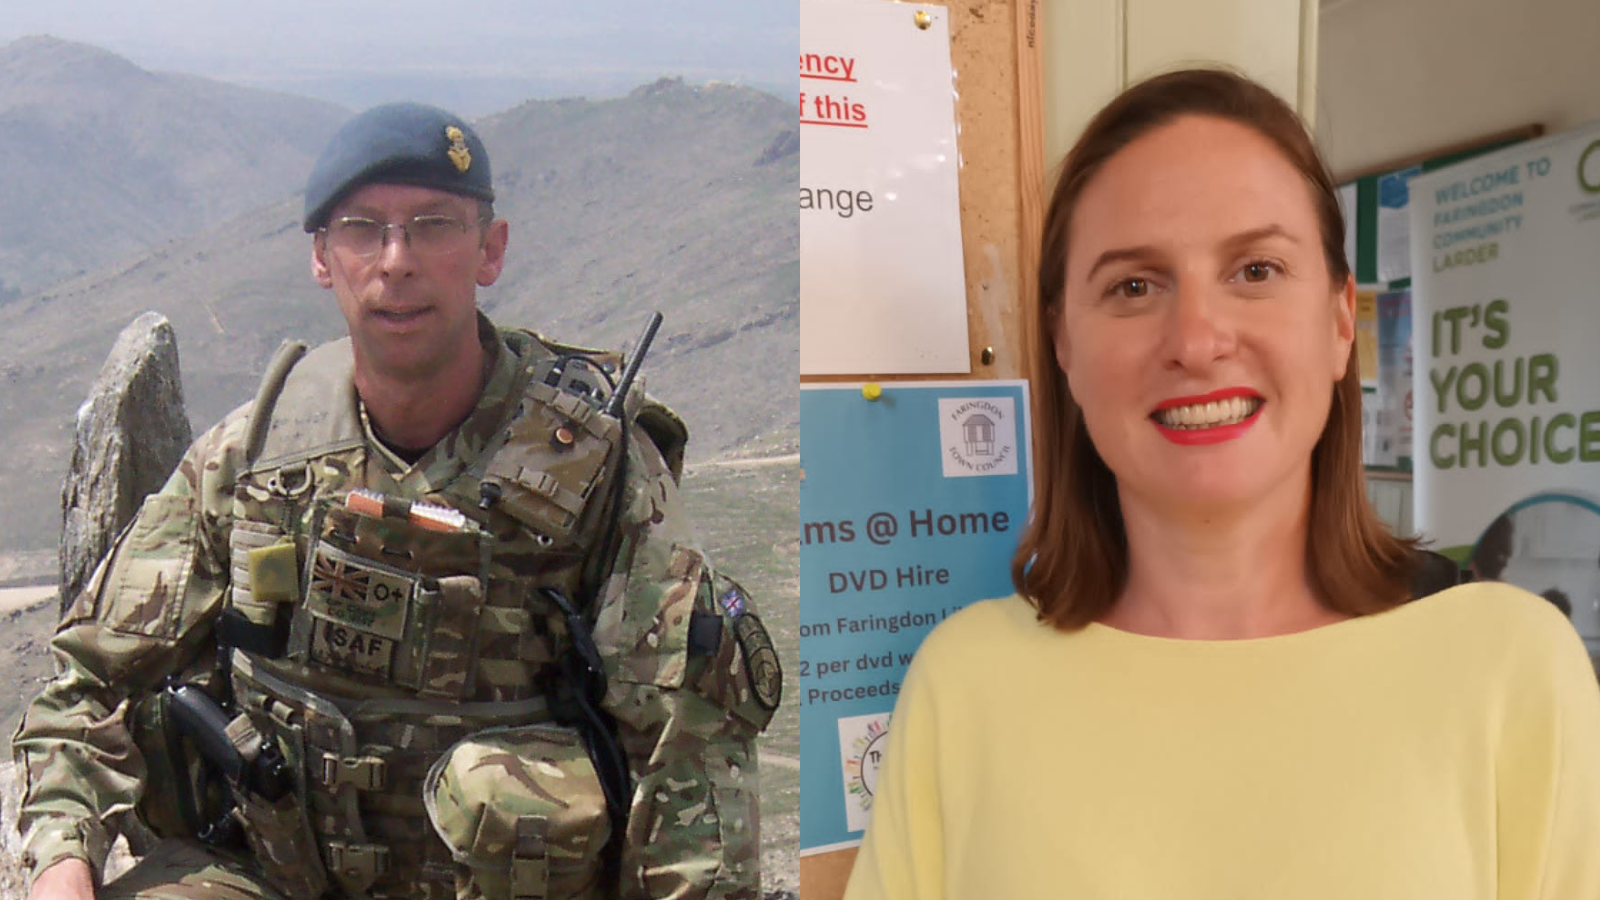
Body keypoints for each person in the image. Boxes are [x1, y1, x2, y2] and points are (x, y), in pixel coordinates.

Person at [843, 69, 1600, 899]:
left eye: (1256, 270)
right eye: (1134, 286)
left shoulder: (1510, 670)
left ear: (1342, 320)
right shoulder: (964, 687)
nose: (1197, 340)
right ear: (1064, 344)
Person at [15, 103, 780, 900]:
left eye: (433, 225)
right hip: (272, 878)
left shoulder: (598, 474)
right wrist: (60, 862)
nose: (396, 260)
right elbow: (85, 687)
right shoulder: (253, 458)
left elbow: (686, 758)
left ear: (490, 250)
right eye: (361, 228)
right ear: (322, 257)